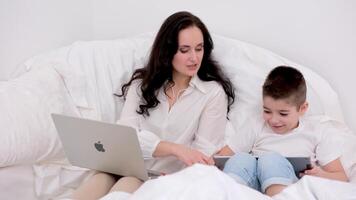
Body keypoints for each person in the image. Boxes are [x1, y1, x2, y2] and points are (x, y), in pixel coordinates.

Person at [71, 11, 235, 199]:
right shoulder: (143, 85)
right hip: (126, 166)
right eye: (185, 50)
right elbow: (125, 137)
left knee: (127, 184)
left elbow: (201, 156)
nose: (194, 58)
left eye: (199, 48)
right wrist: (175, 149)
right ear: (168, 50)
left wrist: (174, 171)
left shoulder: (212, 93)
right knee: (99, 180)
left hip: (163, 178)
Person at [217, 66, 348, 196]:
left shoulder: (317, 131)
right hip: (253, 187)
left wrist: (320, 174)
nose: (273, 120)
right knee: (240, 159)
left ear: (302, 108)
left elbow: (342, 177)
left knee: (271, 160)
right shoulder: (256, 124)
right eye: (267, 111)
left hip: (291, 187)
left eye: (283, 114)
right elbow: (224, 155)